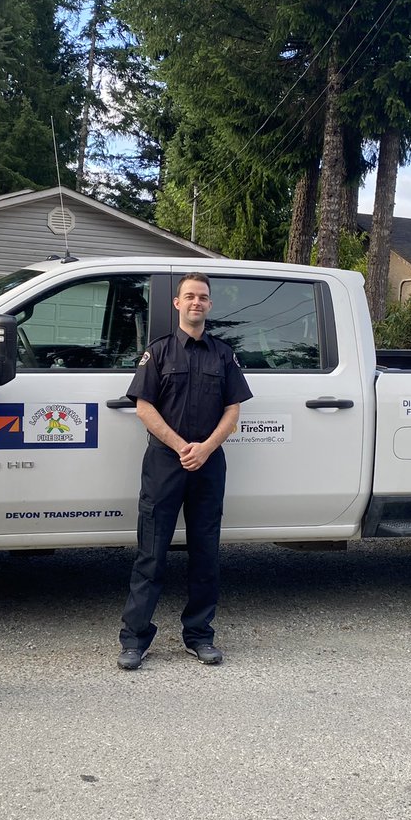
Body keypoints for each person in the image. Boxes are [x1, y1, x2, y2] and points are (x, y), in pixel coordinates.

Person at [117, 272, 252, 670]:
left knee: (205, 553)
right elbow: (144, 406)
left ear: (210, 305)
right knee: (151, 553)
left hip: (209, 464)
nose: (197, 302)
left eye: (203, 297)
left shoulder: (223, 355)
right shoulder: (157, 353)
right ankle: (135, 639)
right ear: (177, 304)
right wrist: (181, 447)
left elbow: (233, 409)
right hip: (165, 462)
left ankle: (199, 636)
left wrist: (206, 448)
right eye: (189, 296)